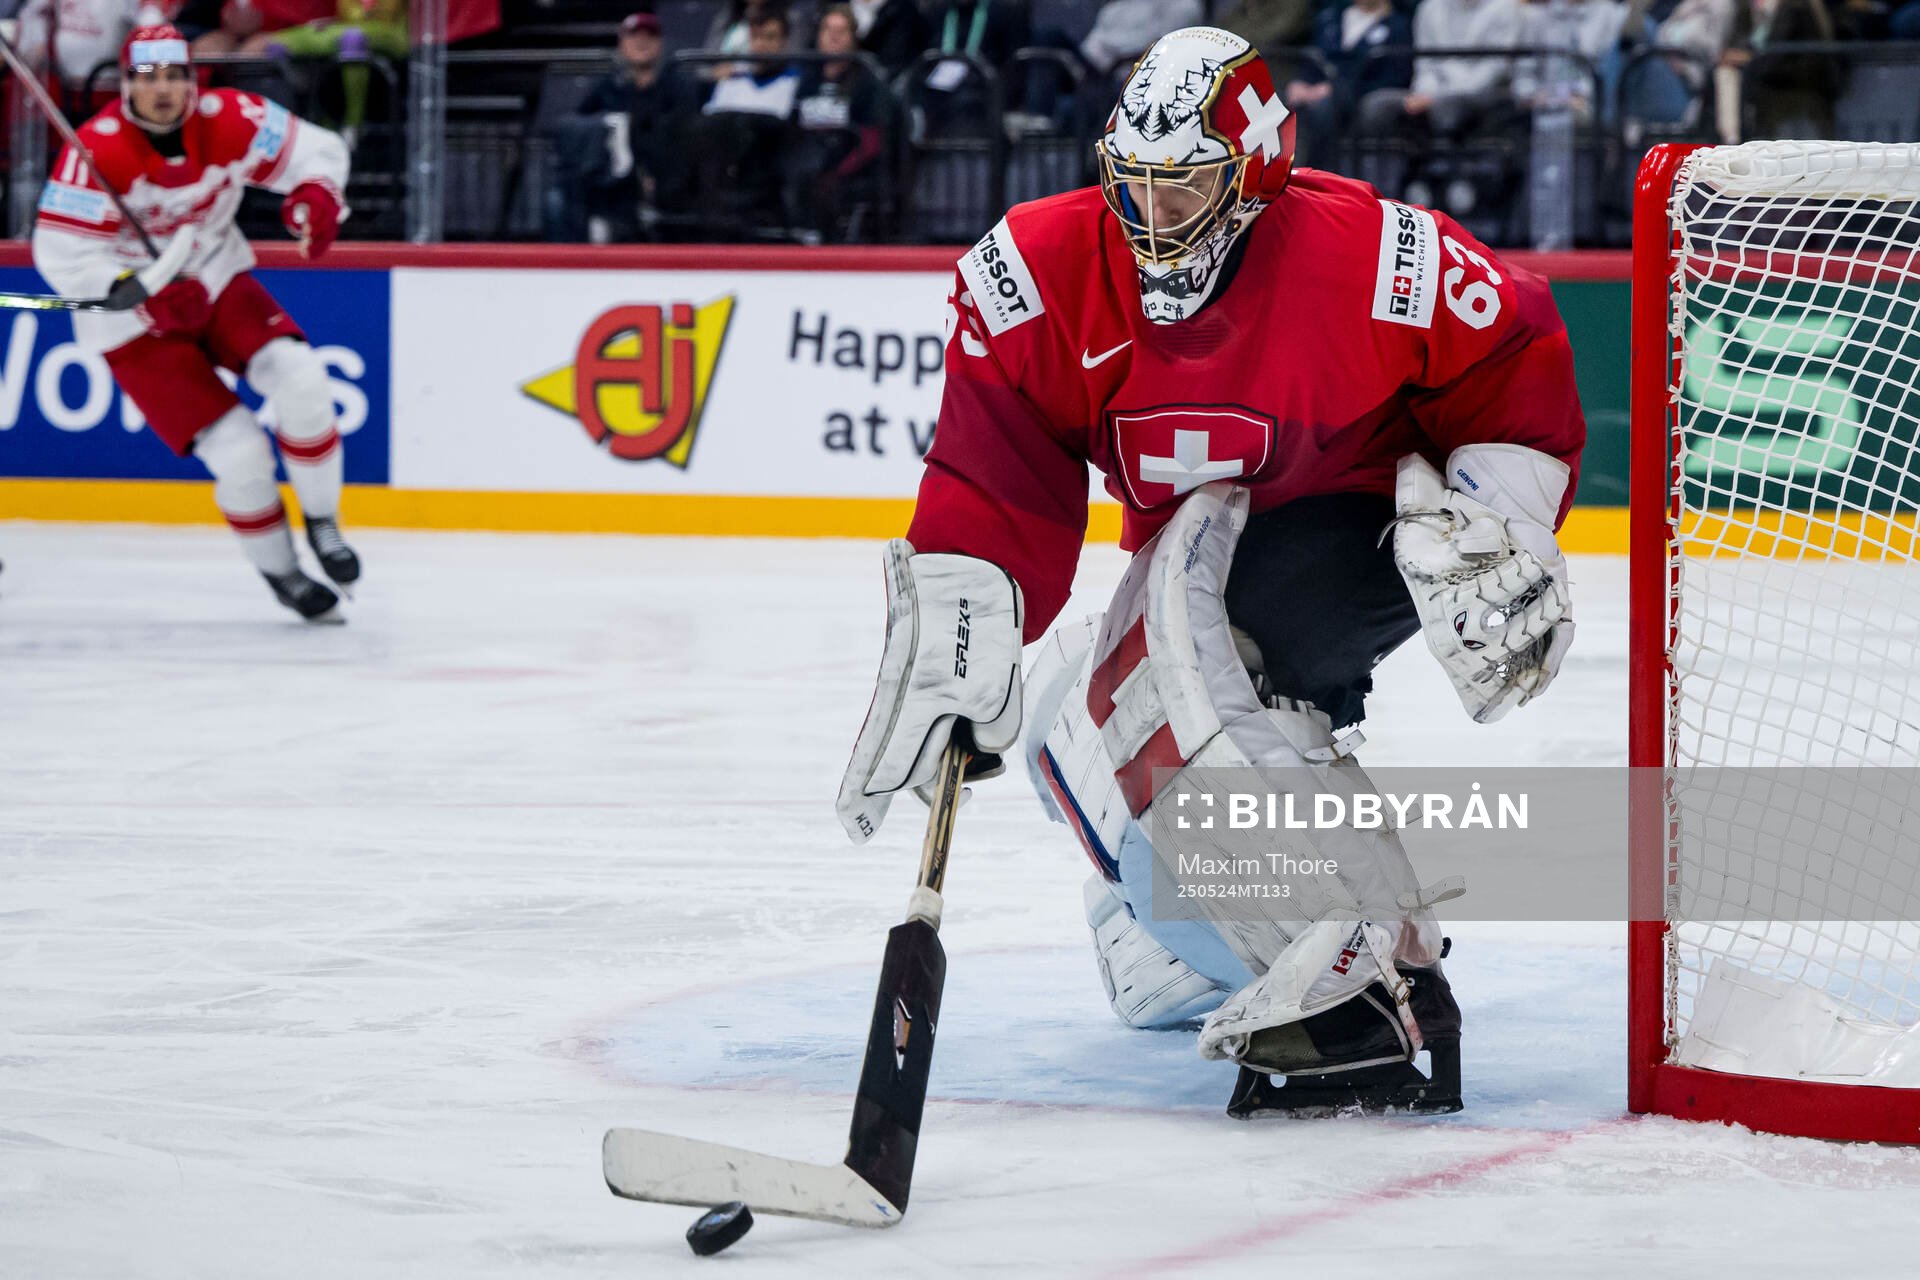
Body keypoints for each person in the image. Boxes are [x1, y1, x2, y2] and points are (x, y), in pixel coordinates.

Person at [836, 26, 1584, 1113]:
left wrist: (1495, 512)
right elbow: (1000, 476)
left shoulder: (1371, 256)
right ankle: (1265, 940)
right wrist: (966, 637)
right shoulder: (1037, 272)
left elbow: (1515, 346)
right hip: (1189, 559)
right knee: (1073, 727)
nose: (1150, 220)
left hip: (1348, 532)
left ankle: (1355, 991)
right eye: (1130, 187)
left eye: (1181, 190)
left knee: (1189, 675)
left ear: (1256, 173)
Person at [32, 24, 358, 622]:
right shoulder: (96, 152)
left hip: (216, 274)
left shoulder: (231, 116)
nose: (163, 91)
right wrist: (129, 293)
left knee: (303, 377)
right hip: (135, 324)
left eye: (175, 76)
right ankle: (283, 572)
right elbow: (60, 252)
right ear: (126, 84)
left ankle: (323, 522)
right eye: (149, 78)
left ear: (193, 79)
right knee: (237, 453)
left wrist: (316, 193)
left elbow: (319, 152)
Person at [546, 11, 691, 243]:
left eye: (649, 35)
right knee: (559, 197)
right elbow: (580, 127)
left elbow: (685, 132)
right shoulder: (608, 86)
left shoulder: (677, 85)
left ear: (659, 44)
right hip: (610, 178)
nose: (641, 41)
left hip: (666, 176)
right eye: (634, 36)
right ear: (622, 44)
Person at [788, 4, 887, 243]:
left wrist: (837, 173)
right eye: (827, 29)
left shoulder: (866, 83)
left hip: (846, 168)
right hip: (805, 165)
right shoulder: (807, 80)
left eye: (841, 31)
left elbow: (872, 142)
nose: (833, 36)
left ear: (854, 39)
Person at [1283, 0, 1413, 167]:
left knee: (1323, 107)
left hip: (1360, 93)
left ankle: (1318, 178)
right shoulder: (1330, 18)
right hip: (1318, 90)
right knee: (1276, 101)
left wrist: (1335, 88)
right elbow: (1313, 60)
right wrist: (1301, 83)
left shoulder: (1398, 26)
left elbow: (1394, 77)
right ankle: (1259, 178)